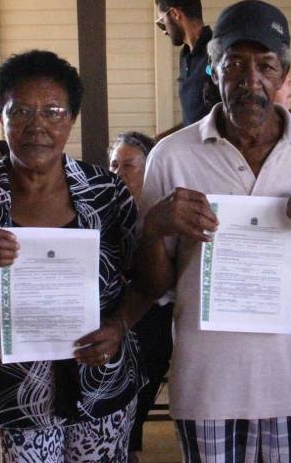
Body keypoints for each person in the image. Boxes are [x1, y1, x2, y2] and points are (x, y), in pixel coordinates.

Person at [138, 0, 291, 461]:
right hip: (208, 385)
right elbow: (155, 285)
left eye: (265, 65)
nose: (250, 80)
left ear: (283, 75)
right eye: (234, 64)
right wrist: (154, 228)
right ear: (213, 71)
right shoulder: (172, 156)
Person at [0, 50, 146, 461]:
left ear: (72, 118)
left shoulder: (107, 193)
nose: (37, 125)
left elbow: (146, 280)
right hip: (18, 393)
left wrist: (119, 325)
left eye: (54, 111)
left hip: (102, 381)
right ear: (0, 116)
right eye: (21, 110)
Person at [107, 131, 167, 463]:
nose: (119, 172)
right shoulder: (106, 208)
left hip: (158, 308)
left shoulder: (160, 209)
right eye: (114, 164)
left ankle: (131, 441)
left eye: (129, 165)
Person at [155, 0, 220, 126]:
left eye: (162, 22)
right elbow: (192, 120)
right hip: (192, 146)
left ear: (175, 14)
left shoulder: (218, 54)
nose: (164, 31)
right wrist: (158, 141)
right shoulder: (185, 56)